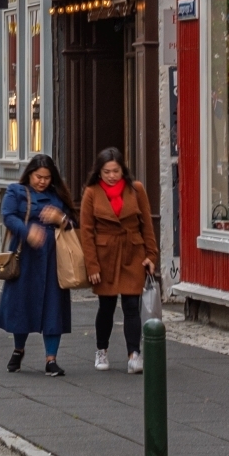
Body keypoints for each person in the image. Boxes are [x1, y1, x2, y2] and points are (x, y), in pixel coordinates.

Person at [79, 148, 158, 372]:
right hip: (105, 256)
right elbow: (86, 232)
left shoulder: (136, 190)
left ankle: (134, 354)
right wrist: (92, 264)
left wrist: (151, 255)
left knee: (132, 305)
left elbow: (147, 225)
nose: (112, 176)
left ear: (123, 170)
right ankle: (101, 350)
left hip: (133, 252)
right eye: (107, 171)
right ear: (99, 172)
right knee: (106, 306)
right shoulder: (91, 193)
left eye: (116, 171)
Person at [0, 152, 76, 375]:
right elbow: (8, 215)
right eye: (38, 176)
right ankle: (18, 349)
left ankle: (51, 359)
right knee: (22, 304)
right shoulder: (17, 191)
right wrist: (27, 231)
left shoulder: (56, 195)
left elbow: (71, 222)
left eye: (47, 177)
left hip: (53, 259)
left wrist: (59, 219)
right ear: (30, 174)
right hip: (25, 257)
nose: (42, 181)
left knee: (54, 306)